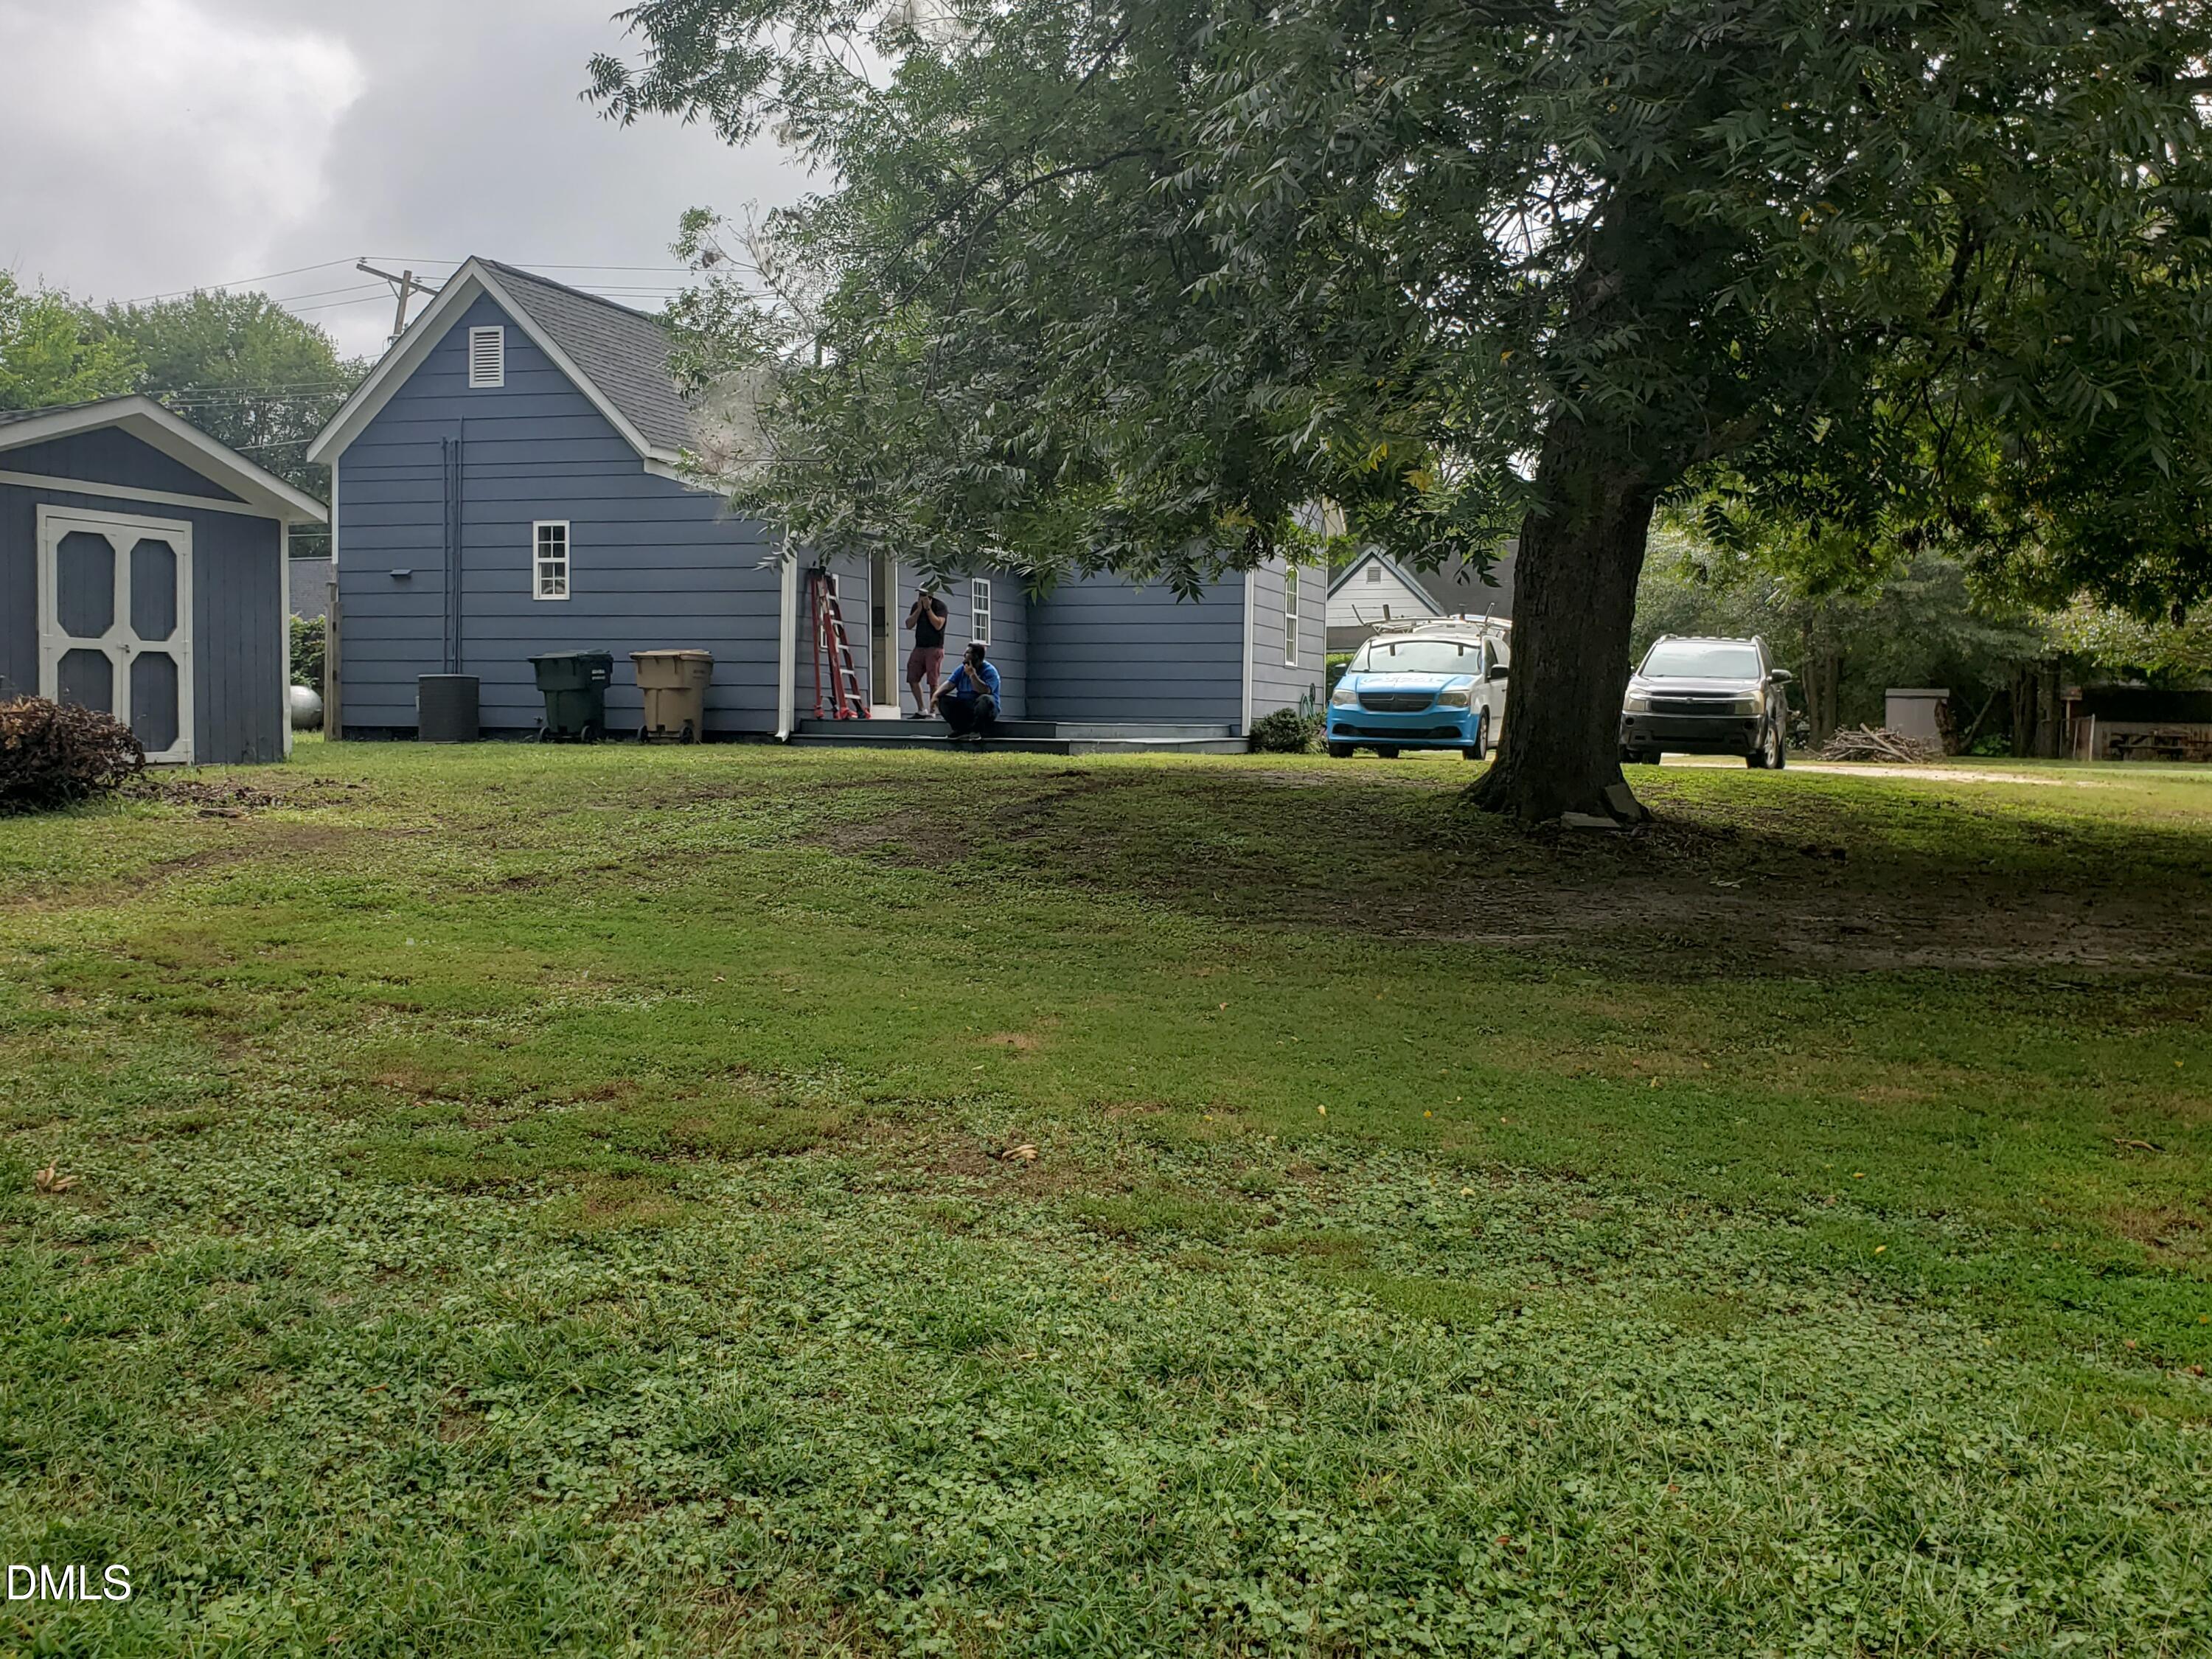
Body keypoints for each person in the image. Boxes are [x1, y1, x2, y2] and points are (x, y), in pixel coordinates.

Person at [935, 641, 1001, 740]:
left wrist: (972, 675)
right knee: (943, 700)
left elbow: (985, 691)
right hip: (965, 707)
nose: (964, 655)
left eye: (968, 653)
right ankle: (960, 730)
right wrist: (935, 696)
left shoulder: (990, 671)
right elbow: (949, 684)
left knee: (985, 699)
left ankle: (976, 731)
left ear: (976, 656)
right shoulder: (961, 669)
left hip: (984, 710)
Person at [902, 587, 948, 717]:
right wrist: (919, 610)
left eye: (924, 594)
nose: (921, 597)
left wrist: (928, 609)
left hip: (935, 647)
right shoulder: (916, 606)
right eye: (920, 594)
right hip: (919, 647)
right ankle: (921, 709)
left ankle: (933, 711)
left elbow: (938, 625)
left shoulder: (940, 606)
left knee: (933, 681)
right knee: (912, 677)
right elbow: (909, 624)